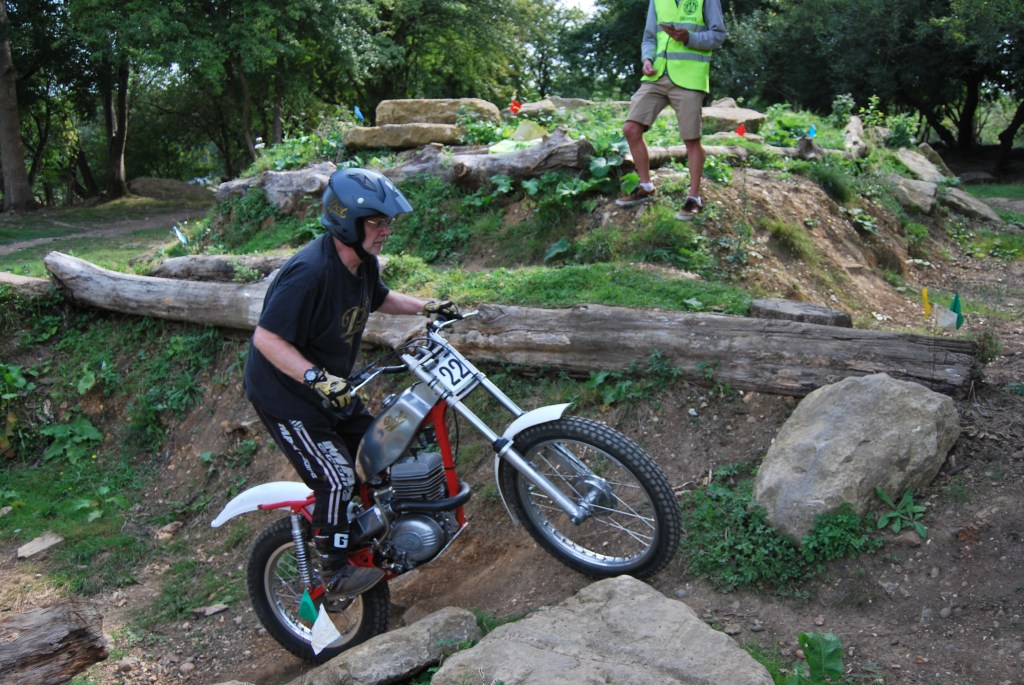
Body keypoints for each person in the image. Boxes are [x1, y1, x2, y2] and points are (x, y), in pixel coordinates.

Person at [243, 167, 460, 596]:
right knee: (337, 477)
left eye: (387, 222)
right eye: (377, 222)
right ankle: (334, 569)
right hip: (287, 395)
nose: (386, 230)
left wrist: (426, 306)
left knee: (384, 448)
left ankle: (383, 534)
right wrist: (314, 377)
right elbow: (266, 338)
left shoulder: (363, 265)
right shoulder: (309, 273)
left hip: (330, 389)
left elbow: (381, 298)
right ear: (347, 222)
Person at [615, 0, 728, 220]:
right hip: (656, 76)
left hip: (689, 78)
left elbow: (718, 35)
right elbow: (649, 37)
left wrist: (689, 38)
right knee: (631, 129)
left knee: (691, 140)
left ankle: (694, 198)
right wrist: (647, 59)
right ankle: (646, 187)